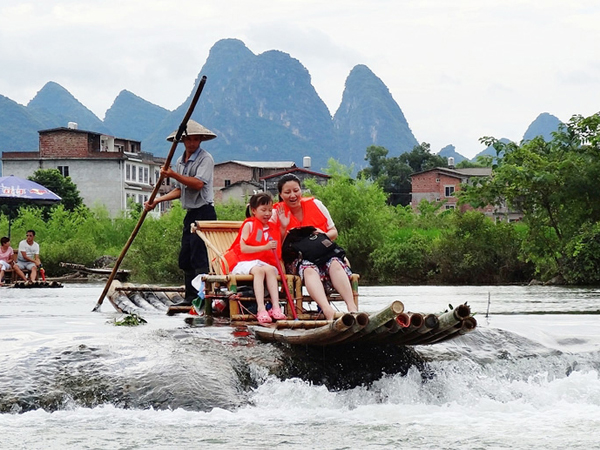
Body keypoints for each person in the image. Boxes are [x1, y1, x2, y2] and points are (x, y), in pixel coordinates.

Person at [144, 120, 217, 305]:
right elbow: (180, 190)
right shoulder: (179, 161)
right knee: (186, 256)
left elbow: (198, 184)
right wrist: (156, 200)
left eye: (196, 140)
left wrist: (173, 175)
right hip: (191, 213)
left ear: (200, 140)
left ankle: (201, 297)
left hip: (205, 212)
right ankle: (189, 296)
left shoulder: (205, 159)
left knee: (199, 256)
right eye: (189, 140)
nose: (192, 143)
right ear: (183, 141)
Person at [271, 174, 358, 320]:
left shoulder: (316, 204)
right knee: (309, 269)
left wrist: (322, 234)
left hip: (322, 252)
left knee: (335, 262)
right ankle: (327, 310)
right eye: (287, 192)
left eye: (296, 190)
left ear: (301, 191)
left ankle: (352, 308)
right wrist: (283, 228)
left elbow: (333, 232)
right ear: (280, 194)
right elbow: (275, 245)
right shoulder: (276, 213)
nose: (293, 195)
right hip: (297, 258)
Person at [225, 192, 287, 324]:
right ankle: (261, 308)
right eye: (263, 210)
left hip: (263, 263)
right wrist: (265, 247)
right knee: (259, 270)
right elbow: (244, 248)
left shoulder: (271, 227)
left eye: (270, 210)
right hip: (244, 262)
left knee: (270, 270)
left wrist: (284, 225)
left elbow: (279, 242)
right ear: (254, 210)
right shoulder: (249, 225)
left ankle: (276, 307)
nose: (267, 214)